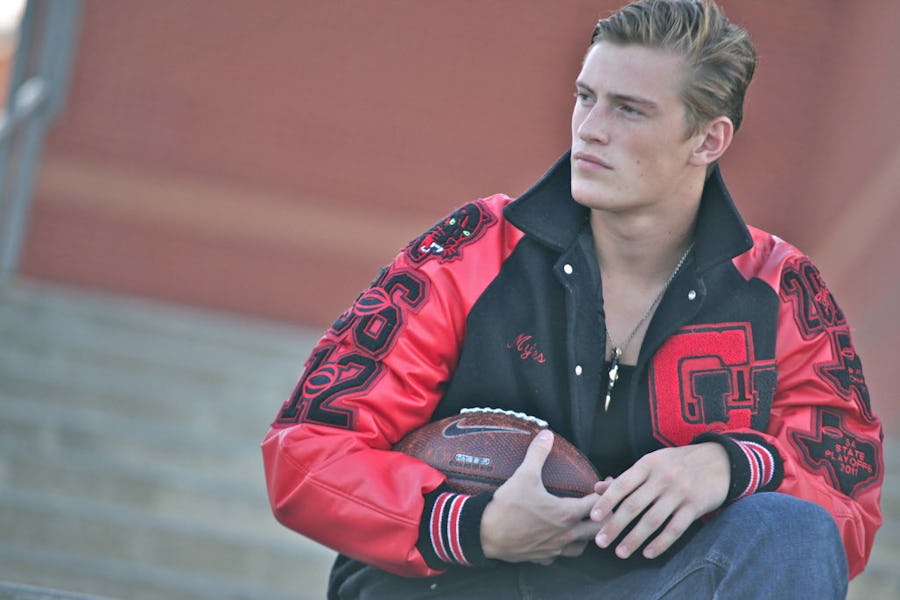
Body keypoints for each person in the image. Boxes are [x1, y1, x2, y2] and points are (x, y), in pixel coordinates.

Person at [263, 1, 883, 598]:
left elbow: (844, 511)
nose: (590, 130)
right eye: (586, 97)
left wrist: (733, 466)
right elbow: (307, 449)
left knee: (792, 531)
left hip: (651, 589)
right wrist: (476, 526)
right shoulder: (474, 247)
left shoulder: (783, 290)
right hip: (450, 588)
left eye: (629, 110)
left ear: (706, 140)